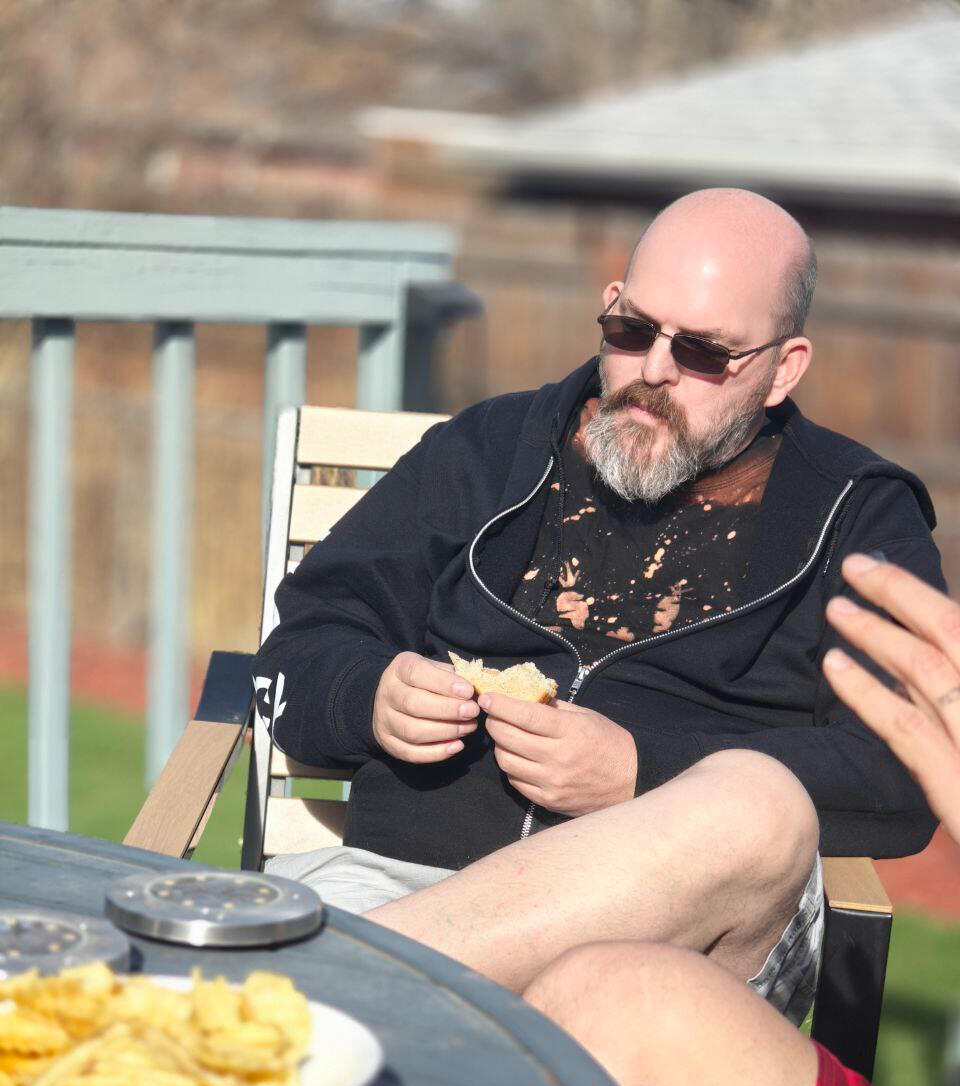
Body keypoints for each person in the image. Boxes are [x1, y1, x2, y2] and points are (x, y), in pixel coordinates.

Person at [253, 187, 944, 1019]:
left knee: (743, 815)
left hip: (674, 943)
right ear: (609, 305)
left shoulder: (855, 513)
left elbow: (899, 770)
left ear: (782, 369)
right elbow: (303, 645)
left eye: (703, 352)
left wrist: (643, 772)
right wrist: (369, 696)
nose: (654, 371)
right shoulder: (485, 451)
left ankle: (362, 988)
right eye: (632, 330)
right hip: (402, 884)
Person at [523, 554, 960, 1086]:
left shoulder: (849, 510)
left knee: (753, 802)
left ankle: (339, 996)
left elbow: (884, 785)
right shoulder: (473, 482)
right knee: (620, 1000)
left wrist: (641, 763)